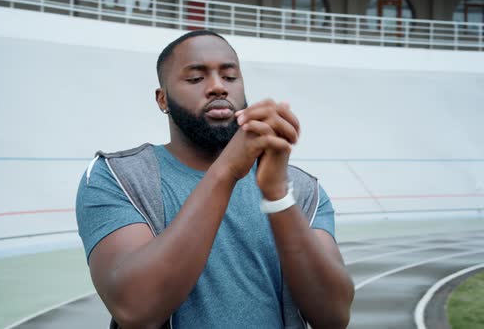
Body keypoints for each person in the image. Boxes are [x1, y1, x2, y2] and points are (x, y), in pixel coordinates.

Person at [75, 30, 354, 329]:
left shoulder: (302, 190)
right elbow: (135, 307)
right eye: (196, 79)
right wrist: (226, 170)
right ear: (162, 99)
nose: (218, 87)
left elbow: (333, 316)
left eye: (230, 76)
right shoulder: (118, 178)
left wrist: (277, 195)